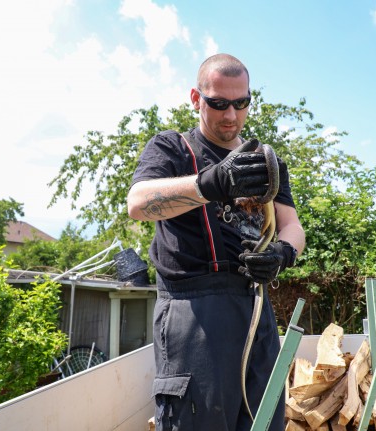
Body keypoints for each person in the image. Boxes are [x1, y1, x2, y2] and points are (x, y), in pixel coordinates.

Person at [127, 53, 305, 431]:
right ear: (196, 98)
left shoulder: (266, 161)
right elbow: (139, 203)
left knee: (264, 419)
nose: (231, 116)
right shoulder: (172, 148)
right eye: (218, 103)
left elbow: (293, 225)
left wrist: (282, 253)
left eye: (241, 104)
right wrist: (210, 183)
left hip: (254, 306)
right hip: (192, 310)